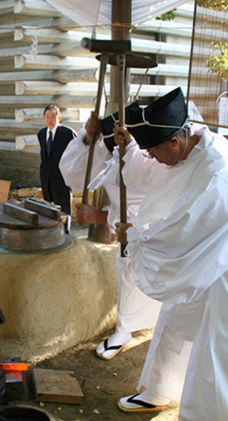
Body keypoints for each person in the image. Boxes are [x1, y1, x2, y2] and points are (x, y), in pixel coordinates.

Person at [113, 88, 228, 421]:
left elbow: (189, 225)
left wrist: (138, 236)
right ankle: (159, 390)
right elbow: (158, 185)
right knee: (176, 316)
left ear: (175, 142)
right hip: (210, 249)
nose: (153, 159)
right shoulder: (193, 145)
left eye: (153, 151)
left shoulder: (217, 168)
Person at [59, 110, 164, 360]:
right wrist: (88, 137)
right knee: (127, 277)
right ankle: (125, 328)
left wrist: (100, 217)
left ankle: (161, 325)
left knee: (159, 281)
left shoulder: (154, 158)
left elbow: (150, 207)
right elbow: (73, 174)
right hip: (125, 229)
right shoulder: (112, 152)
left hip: (154, 229)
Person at [37, 104, 77, 218]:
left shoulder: (67, 133)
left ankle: (65, 235)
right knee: (49, 212)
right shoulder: (41, 134)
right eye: (47, 117)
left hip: (62, 180)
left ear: (59, 117)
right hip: (47, 180)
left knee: (64, 213)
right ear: (44, 117)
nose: (50, 120)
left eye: (53, 117)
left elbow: (76, 154)